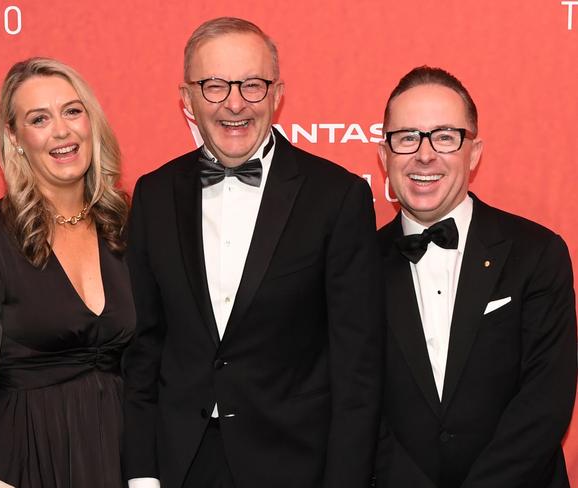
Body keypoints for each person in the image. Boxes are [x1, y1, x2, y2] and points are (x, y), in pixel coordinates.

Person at [123, 16, 383, 488]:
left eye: (253, 85)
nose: (235, 103)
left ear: (278, 93)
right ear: (187, 99)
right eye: (215, 86)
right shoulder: (153, 195)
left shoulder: (336, 197)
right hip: (181, 464)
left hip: (294, 465)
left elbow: (357, 369)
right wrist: (142, 473)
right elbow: (145, 348)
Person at [0, 57, 135, 488]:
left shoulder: (127, 226)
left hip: (117, 457)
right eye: (39, 119)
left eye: (72, 111)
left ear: (91, 121)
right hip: (19, 468)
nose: (62, 131)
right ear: (15, 137)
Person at [375, 66, 577, 488]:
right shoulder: (354, 264)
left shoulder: (536, 253)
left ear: (475, 152)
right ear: (384, 155)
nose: (424, 154)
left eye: (445, 136)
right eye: (407, 137)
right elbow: (351, 400)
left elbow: (546, 400)